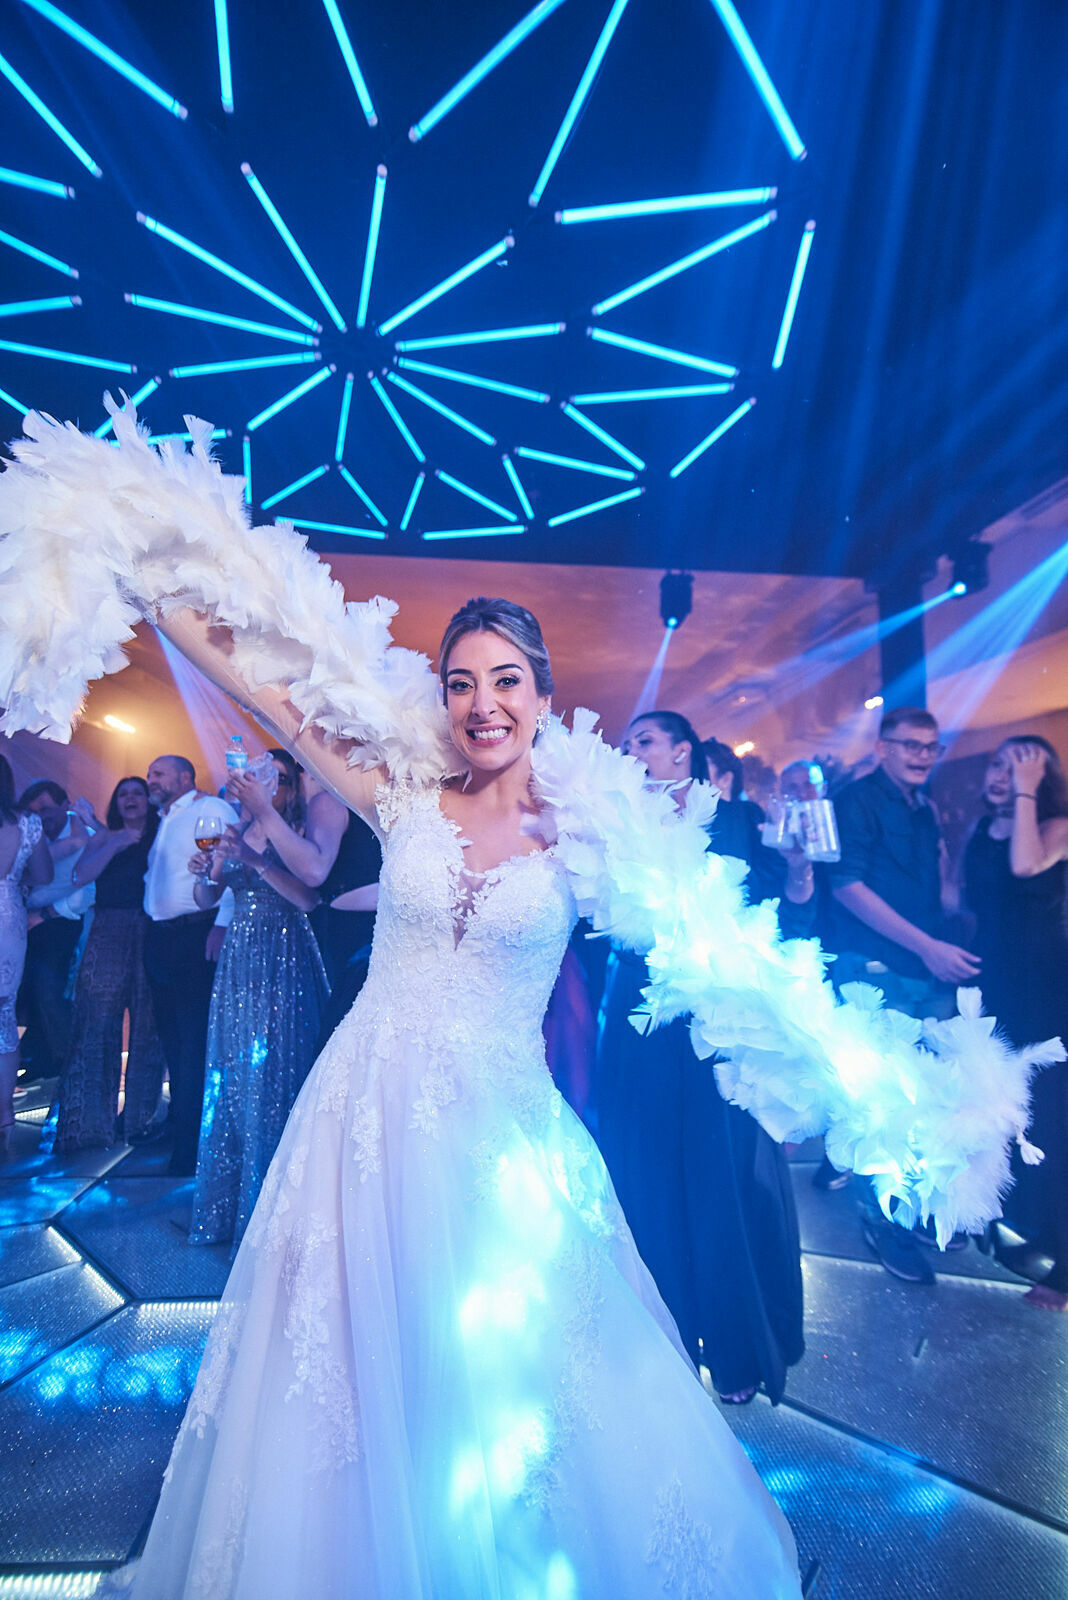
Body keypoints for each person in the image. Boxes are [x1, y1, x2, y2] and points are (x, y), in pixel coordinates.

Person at [96, 599, 803, 1599]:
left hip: (501, 1136)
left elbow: (717, 946)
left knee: (511, 1368)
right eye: (462, 682)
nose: (483, 703)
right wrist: (158, 586)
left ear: (545, 696)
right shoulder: (405, 796)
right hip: (363, 1116)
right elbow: (278, 697)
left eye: (506, 679)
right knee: (339, 1357)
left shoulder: (589, 835)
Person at [597, 711, 809, 1406]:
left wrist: (801, 870)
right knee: (648, 1171)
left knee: (724, 1176)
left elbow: (775, 906)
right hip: (644, 1019)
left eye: (644, 742)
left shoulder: (733, 818)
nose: (630, 753)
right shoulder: (615, 820)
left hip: (718, 1017)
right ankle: (668, 1342)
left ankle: (738, 1346)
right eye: (626, 745)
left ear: (682, 752)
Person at [825, 705, 979, 1283]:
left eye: (930, 747)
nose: (921, 756)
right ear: (882, 748)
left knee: (924, 1096)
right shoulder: (856, 802)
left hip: (918, 967)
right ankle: (880, 1221)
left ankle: (913, 1211)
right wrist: (928, 948)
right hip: (874, 969)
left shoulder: (922, 807)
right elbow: (847, 889)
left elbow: (935, 891)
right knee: (881, 1101)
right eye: (910, 745)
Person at [187, 750, 329, 1250]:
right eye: (261, 775)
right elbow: (207, 900)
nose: (267, 785)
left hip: (284, 956)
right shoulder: (238, 828)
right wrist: (205, 872)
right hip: (239, 964)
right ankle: (228, 1211)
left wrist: (256, 862)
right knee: (232, 1077)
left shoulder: (296, 829)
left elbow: (310, 898)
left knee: (276, 1077)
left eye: (279, 777)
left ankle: (272, 1225)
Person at [962, 737, 1068, 1311]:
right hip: (994, 987)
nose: (1004, 773)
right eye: (998, 762)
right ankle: (1011, 1227)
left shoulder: (1057, 826)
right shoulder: (982, 830)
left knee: (1052, 1125)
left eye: (1021, 765)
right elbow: (963, 899)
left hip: (1047, 991)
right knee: (999, 1117)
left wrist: (1028, 790)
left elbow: (1027, 867)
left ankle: (1065, 1269)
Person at [55, 777, 164, 1152]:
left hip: (152, 927)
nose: (130, 799)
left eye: (137, 793)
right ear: (115, 802)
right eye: (123, 794)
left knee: (149, 1027)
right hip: (109, 927)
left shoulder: (162, 831)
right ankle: (87, 1126)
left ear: (148, 801)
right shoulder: (105, 837)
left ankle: (140, 1123)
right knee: (96, 1022)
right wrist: (114, 840)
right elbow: (80, 875)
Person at [142, 755, 237, 1177]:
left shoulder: (210, 809)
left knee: (192, 1042)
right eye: (150, 774)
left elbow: (232, 866)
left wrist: (220, 924)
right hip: (161, 938)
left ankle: (191, 1147)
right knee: (172, 1041)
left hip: (194, 933)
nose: (151, 780)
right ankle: (180, 1128)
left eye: (158, 773)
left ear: (185, 777)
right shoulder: (164, 817)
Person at [17, 779, 94, 1082]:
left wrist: (44, 915)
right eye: (35, 812)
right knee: (30, 993)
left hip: (66, 922)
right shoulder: (33, 837)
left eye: (47, 809)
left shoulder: (85, 837)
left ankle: (68, 1066)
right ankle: (40, 1060)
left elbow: (89, 893)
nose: (42, 817)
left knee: (50, 991)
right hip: (29, 921)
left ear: (65, 806)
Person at [0, 755, 52, 1148]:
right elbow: (45, 875)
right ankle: (3, 1117)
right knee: (4, 1018)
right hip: (8, 919)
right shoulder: (27, 824)